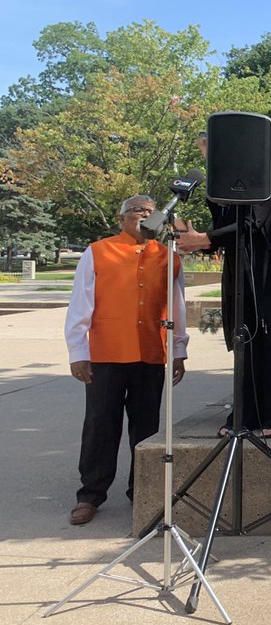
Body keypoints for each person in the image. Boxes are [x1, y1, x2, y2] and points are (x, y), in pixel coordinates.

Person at [177, 133, 271, 436]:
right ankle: (247, 416)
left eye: (213, 151)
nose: (209, 158)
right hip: (247, 272)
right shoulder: (226, 188)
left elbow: (251, 225)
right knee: (249, 340)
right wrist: (198, 241)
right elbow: (226, 229)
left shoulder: (265, 182)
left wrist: (205, 240)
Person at [64, 195, 188, 526]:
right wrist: (78, 353)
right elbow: (80, 305)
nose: (144, 215)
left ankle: (142, 491)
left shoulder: (168, 256)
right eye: (137, 210)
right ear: (121, 219)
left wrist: (178, 351)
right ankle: (90, 494)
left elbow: (178, 308)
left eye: (150, 212)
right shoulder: (98, 251)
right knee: (100, 425)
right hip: (106, 354)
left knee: (145, 427)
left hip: (150, 353)